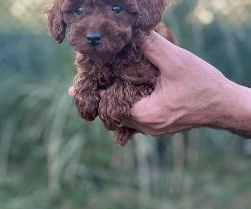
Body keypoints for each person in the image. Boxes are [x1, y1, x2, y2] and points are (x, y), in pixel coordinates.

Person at [69, 31, 251, 138]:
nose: (93, 29)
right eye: (78, 10)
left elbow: (148, 75)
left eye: (116, 9)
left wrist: (219, 102)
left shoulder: (145, 38)